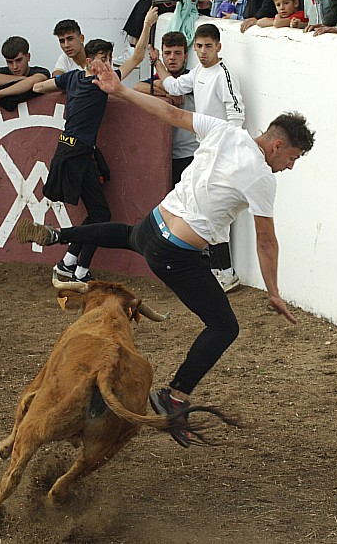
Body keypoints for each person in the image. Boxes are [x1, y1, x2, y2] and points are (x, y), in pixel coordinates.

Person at [16, 57, 314, 447]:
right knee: (225, 326)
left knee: (126, 234)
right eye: (291, 158)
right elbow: (265, 241)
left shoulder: (226, 131)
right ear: (278, 145)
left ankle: (59, 236)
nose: (288, 167)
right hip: (176, 253)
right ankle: (174, 395)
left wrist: (121, 89)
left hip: (155, 224)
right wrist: (273, 291)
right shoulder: (261, 177)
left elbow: (170, 113)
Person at [32, 8, 159, 284]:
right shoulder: (101, 83)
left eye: (109, 59)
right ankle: (74, 267)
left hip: (69, 149)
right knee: (101, 213)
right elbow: (137, 56)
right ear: (90, 62)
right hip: (77, 151)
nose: (108, 65)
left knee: (99, 212)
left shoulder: (74, 78)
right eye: (103, 60)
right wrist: (147, 24)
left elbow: (40, 88)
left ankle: (72, 265)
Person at [154, 23, 245, 292]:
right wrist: (156, 61)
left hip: (219, 154)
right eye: (199, 47)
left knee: (214, 210)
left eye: (208, 46)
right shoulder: (197, 72)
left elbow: (237, 115)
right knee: (204, 208)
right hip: (204, 152)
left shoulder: (224, 74)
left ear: (218, 47)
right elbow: (172, 84)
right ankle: (220, 269)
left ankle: (224, 271)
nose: (203, 52)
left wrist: (226, 149)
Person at [133, 31, 199, 186]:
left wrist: (168, 87)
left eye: (177, 53)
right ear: (162, 55)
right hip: (164, 153)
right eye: (167, 53)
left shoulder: (193, 79)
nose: (172, 58)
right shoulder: (158, 79)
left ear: (186, 56)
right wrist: (167, 91)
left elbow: (176, 85)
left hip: (191, 154)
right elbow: (137, 87)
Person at [0, 37, 50, 103]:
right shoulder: (3, 72)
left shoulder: (41, 72)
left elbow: (34, 81)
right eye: (10, 62)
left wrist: (0, 93)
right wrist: (21, 78)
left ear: (28, 57)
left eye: (19, 60)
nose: (15, 67)